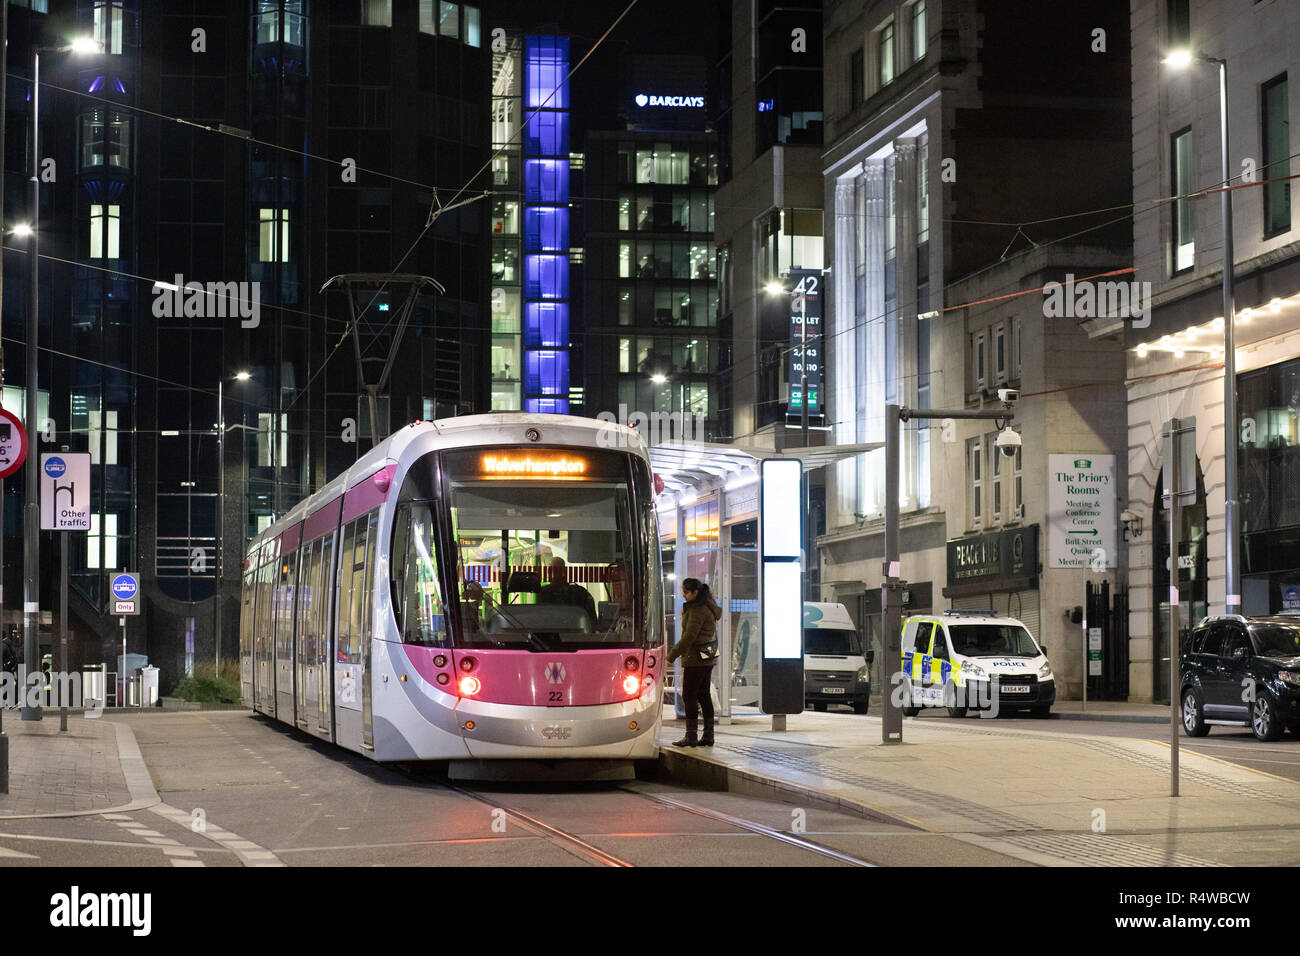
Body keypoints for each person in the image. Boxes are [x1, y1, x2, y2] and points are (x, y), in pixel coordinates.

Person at [666, 578, 721, 747]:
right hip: (706, 657)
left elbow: (689, 636)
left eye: (686, 592)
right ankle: (708, 736)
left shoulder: (698, 610)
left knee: (689, 695)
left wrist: (672, 655)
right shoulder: (705, 607)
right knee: (703, 695)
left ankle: (691, 736)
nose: (683, 595)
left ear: (695, 593)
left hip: (696, 658)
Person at [536, 557, 597, 624]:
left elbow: (540, 620)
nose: (553, 572)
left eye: (554, 569)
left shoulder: (543, 592)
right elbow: (592, 621)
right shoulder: (579, 591)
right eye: (554, 569)